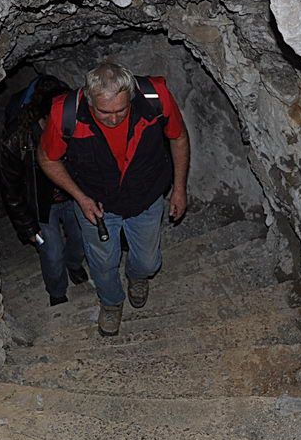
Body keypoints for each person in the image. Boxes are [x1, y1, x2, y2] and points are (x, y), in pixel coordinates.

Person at [37, 62, 190, 336]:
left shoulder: (155, 97)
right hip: (96, 205)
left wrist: (179, 187)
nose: (114, 118)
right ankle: (111, 302)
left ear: (131, 96)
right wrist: (80, 198)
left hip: (146, 194)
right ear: (88, 99)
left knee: (148, 262)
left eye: (121, 110)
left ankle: (137, 276)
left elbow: (178, 137)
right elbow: (47, 158)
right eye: (104, 112)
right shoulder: (66, 113)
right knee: (103, 264)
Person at [0, 74, 89, 307]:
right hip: (40, 205)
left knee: (79, 239)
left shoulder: (75, 125)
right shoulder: (18, 139)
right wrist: (27, 227)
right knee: (51, 252)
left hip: (73, 196)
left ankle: (74, 265)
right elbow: (10, 188)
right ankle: (57, 290)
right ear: (43, 116)